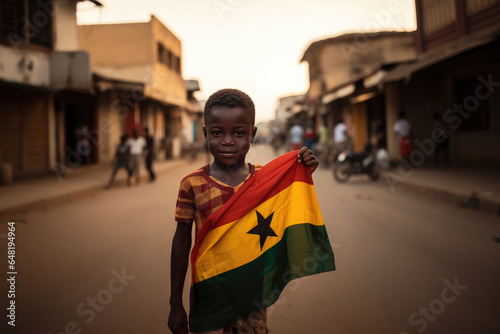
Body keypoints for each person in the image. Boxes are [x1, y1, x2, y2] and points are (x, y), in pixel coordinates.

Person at [168, 88, 319, 334]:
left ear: (253, 134)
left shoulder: (264, 179)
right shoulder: (191, 184)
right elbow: (181, 241)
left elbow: (285, 209)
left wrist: (301, 173)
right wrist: (175, 303)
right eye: (217, 133)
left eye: (239, 133)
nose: (228, 141)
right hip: (209, 290)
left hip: (252, 292)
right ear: (206, 134)